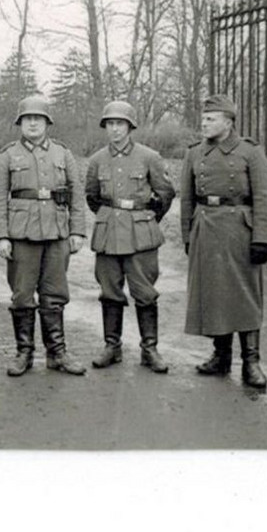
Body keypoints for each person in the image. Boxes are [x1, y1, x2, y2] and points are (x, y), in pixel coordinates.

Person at [179, 94, 267, 391]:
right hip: (206, 228)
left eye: (210, 119)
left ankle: (251, 362)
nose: (204, 124)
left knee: (246, 294)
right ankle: (221, 357)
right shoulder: (194, 153)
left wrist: (262, 239)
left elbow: (264, 196)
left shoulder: (249, 151)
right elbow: (186, 198)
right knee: (214, 294)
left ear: (228, 121)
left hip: (239, 230)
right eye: (203, 119)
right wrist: (187, 235)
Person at [0, 95, 88, 376]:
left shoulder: (62, 153)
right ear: (20, 123)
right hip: (21, 235)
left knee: (55, 295)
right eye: (27, 119)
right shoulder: (7, 156)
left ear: (47, 122)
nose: (33, 123)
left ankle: (57, 353)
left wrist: (77, 231)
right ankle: (24, 353)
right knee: (22, 296)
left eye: (38, 118)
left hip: (57, 233)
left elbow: (76, 195)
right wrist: (1, 237)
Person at [84, 100, 177, 372]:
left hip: (141, 235)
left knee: (145, 292)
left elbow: (165, 194)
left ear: (130, 126)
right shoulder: (97, 159)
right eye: (110, 124)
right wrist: (110, 217)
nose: (114, 129)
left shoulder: (150, 157)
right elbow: (92, 197)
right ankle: (112, 347)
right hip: (108, 234)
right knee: (110, 291)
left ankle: (150, 349)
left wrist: (146, 219)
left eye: (120, 124)